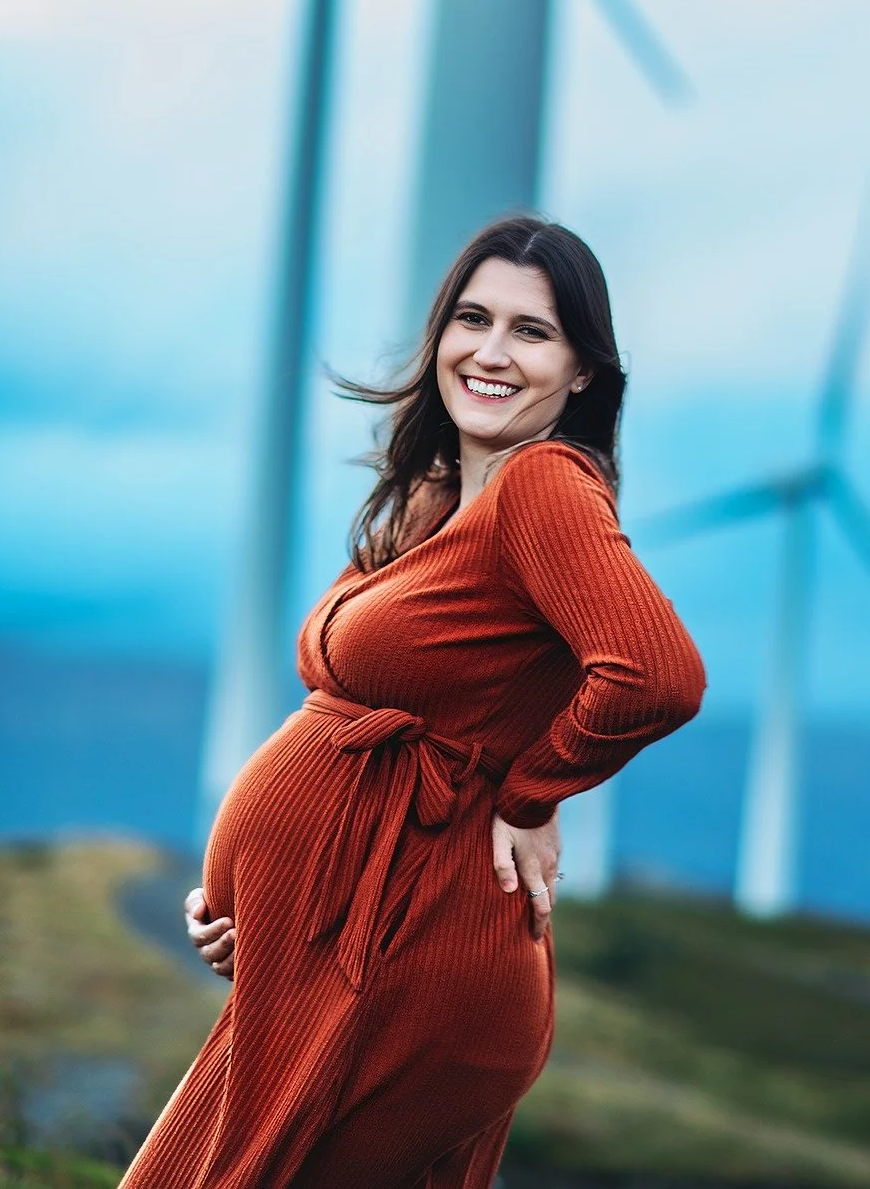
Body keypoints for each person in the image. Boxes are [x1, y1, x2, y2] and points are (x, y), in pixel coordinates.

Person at [121, 216, 706, 1189]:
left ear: (584, 371)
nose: (491, 350)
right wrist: (245, 908)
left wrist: (531, 793)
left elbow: (656, 671)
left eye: (533, 330)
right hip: (338, 953)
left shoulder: (545, 486)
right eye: (472, 317)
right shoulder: (442, 498)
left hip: (416, 962)